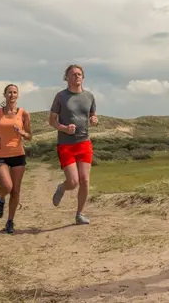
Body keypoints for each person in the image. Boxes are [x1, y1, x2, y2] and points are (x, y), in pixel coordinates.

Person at [48, 64, 98, 225]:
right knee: (73, 181)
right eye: (73, 74)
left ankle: (80, 214)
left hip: (84, 142)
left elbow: (92, 115)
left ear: (83, 77)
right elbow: (52, 120)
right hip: (65, 144)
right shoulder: (60, 96)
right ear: (67, 78)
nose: (76, 76)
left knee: (85, 180)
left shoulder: (89, 96)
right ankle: (62, 188)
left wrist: (94, 120)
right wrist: (64, 128)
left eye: (79, 74)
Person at [0, 83, 32, 234]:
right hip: (0, 155)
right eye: (9, 92)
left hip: (18, 154)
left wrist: (22, 133)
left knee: (15, 191)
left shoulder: (24, 114)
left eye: (15, 92)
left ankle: (10, 221)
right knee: (7, 187)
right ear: (4, 95)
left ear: (18, 95)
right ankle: (1, 198)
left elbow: (30, 136)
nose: (12, 95)